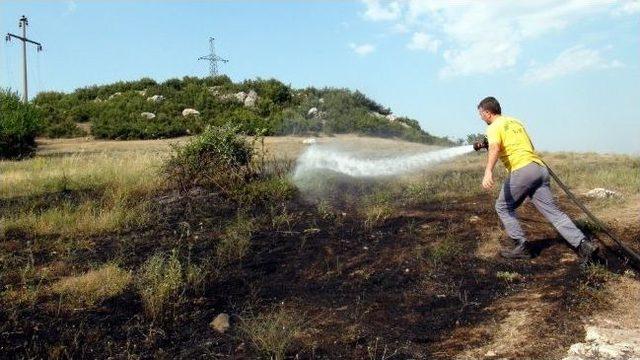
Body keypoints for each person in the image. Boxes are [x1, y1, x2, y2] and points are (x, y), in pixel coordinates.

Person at [476, 96, 598, 263]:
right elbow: (527, 146)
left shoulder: (493, 127)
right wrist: (487, 144)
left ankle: (521, 246)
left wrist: (488, 171)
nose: (480, 117)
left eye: (481, 114)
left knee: (503, 206)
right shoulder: (515, 122)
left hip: (523, 169)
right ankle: (583, 244)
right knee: (554, 212)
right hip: (539, 168)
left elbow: (496, 147)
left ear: (488, 113)